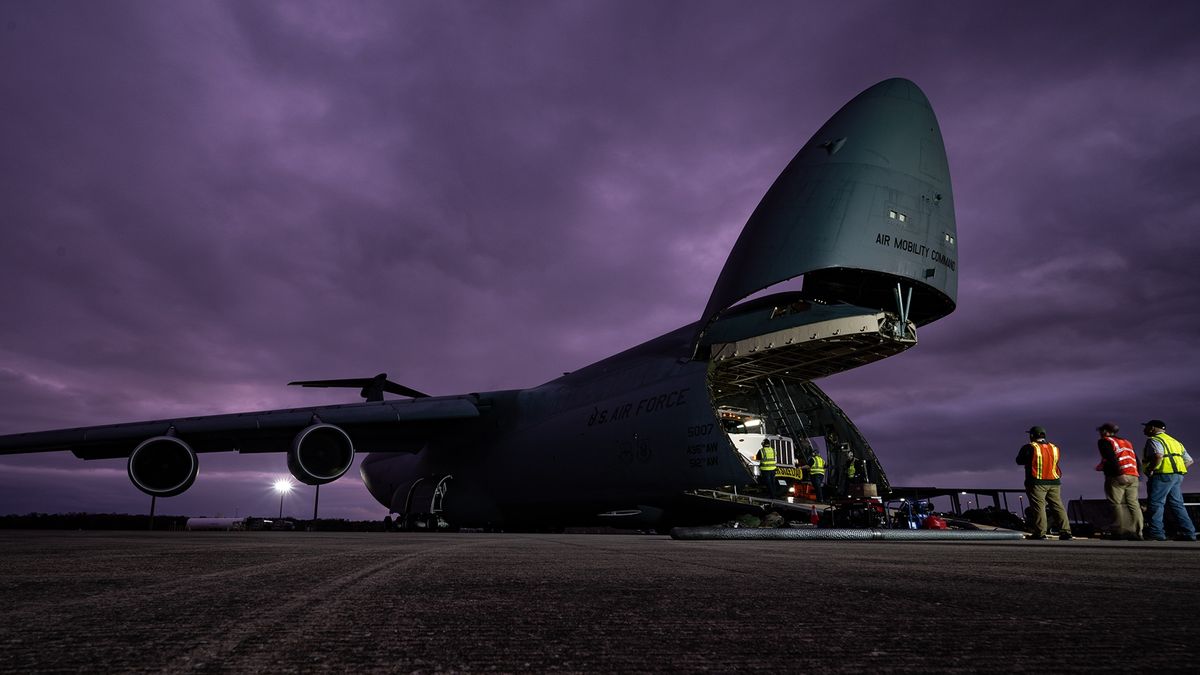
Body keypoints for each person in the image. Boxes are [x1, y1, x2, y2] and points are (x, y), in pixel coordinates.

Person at [1141, 419, 1196, 541]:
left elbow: (1158, 455)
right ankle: (1189, 533)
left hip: (1162, 475)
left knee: (1156, 503)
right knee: (1177, 505)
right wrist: (1176, 470)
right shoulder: (1175, 442)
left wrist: (1151, 469)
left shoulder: (1154, 440)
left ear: (1152, 428)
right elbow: (1189, 461)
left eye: (1146, 427)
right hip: (1177, 476)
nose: (1144, 430)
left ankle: (1156, 533)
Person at [1015, 426, 1073, 540]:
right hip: (1054, 482)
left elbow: (1019, 460)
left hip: (1037, 482)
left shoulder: (1030, 447)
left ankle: (1040, 533)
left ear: (1032, 435)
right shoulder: (1054, 448)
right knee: (1058, 507)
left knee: (1039, 507)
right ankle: (1066, 532)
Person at [1094, 422, 1143, 540]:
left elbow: (1111, 458)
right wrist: (1139, 477)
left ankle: (1120, 531)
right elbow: (1136, 460)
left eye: (1101, 431)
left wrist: (1119, 474)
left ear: (1105, 431)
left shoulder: (1104, 441)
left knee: (1116, 503)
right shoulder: (1127, 442)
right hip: (1133, 475)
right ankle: (1137, 532)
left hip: (1117, 476)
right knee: (1133, 504)